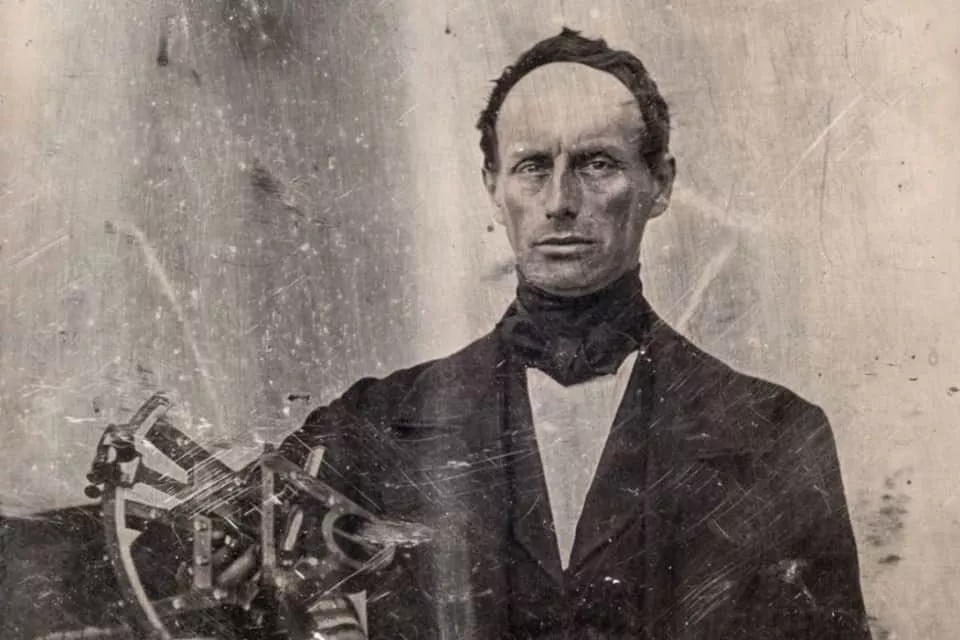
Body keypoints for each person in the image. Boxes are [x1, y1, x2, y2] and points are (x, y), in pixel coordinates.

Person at [276, 28, 873, 639]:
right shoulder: (375, 424)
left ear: (660, 183)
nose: (560, 201)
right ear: (492, 188)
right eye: (532, 166)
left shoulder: (776, 436)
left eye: (597, 164)